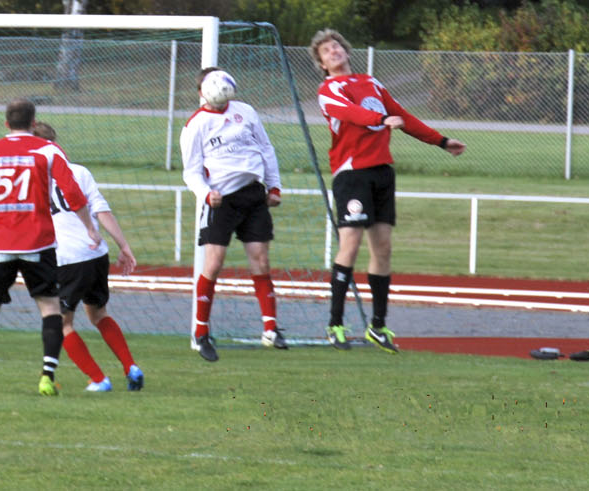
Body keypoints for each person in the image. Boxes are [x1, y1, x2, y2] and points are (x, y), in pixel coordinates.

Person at [310, 29, 466, 352]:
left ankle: (377, 326)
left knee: (383, 248)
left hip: (382, 172)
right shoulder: (328, 89)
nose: (334, 50)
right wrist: (381, 118)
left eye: (337, 45)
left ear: (347, 51)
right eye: (326, 50)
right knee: (349, 245)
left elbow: (403, 117)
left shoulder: (372, 83)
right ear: (322, 63)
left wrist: (440, 141)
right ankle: (335, 325)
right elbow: (350, 114)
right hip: (352, 174)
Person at [0, 98, 96, 396]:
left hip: (0, 242)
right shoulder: (48, 150)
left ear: (6, 124)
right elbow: (72, 192)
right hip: (38, 241)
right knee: (49, 306)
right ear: (34, 123)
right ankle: (47, 376)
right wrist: (89, 227)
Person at [180, 67, 286, 361]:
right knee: (213, 264)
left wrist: (274, 185)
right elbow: (190, 172)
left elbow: (265, 148)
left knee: (261, 260)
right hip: (220, 201)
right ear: (202, 92)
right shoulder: (195, 125)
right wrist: (205, 194)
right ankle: (201, 332)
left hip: (253, 194)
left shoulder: (245, 111)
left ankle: (271, 329)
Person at [38, 121, 144, 393]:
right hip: (96, 254)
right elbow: (102, 211)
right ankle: (131, 367)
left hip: (66, 259)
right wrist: (124, 245)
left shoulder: (33, 178)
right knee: (98, 313)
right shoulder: (79, 171)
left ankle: (99, 379)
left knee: (62, 322)